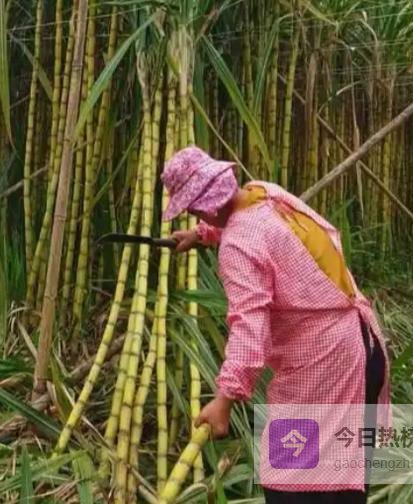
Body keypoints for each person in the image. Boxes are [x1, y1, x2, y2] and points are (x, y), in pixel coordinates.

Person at [163, 145, 388, 504]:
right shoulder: (264, 193)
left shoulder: (238, 246)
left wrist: (224, 399)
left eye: (193, 209)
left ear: (205, 206)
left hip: (323, 365)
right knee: (343, 472)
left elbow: (249, 329)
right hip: (360, 344)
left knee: (293, 485)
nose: (193, 213)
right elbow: (256, 228)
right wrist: (202, 234)